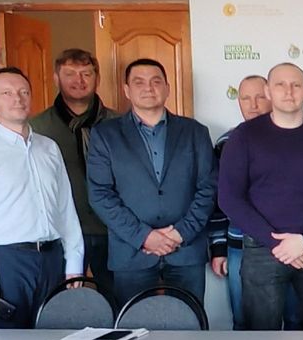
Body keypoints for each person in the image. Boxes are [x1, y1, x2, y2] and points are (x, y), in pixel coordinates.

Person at [218, 62, 303, 330]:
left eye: (296, 85)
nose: (289, 91)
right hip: (261, 248)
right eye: (280, 84)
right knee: (260, 337)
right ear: (268, 91)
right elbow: (229, 198)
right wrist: (276, 243)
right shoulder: (244, 136)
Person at [0, 67, 84, 328]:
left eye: (23, 92)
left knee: (56, 339)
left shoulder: (49, 148)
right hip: (8, 263)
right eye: (7, 93)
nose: (17, 98)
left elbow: (66, 209)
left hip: (52, 259)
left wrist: (74, 264)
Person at [87, 58, 215, 304]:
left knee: (190, 322)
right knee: (133, 324)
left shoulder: (195, 132)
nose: (148, 88)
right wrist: (144, 236)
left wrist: (180, 233)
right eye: (139, 82)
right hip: (132, 251)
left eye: (156, 81)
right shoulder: (105, 135)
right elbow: (100, 194)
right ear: (126, 90)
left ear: (167, 88)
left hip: (186, 249)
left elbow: (208, 189)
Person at [29, 49, 118, 291]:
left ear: (97, 78)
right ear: (56, 78)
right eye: (70, 74)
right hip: (61, 232)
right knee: (63, 303)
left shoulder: (119, 124)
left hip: (114, 230)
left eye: (86, 74)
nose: (79, 80)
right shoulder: (37, 129)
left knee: (118, 301)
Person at [206, 74, 275, 330]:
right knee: (244, 322)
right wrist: (219, 248)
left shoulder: (294, 139)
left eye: (260, 97)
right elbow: (218, 201)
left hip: (288, 244)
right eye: (246, 98)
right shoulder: (226, 143)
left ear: (271, 97)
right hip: (240, 246)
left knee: (294, 321)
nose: (253, 105)